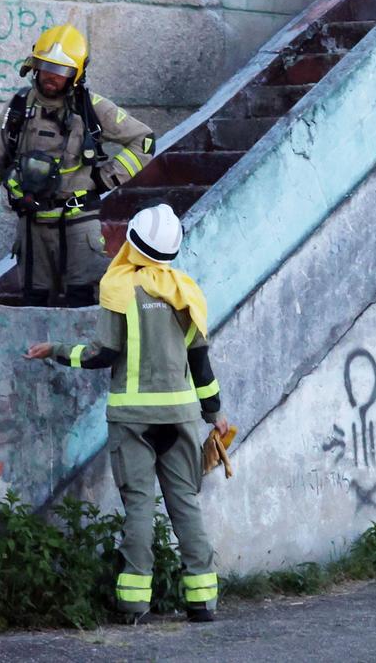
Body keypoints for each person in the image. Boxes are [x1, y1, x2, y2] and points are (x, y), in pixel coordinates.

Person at [26, 204, 227, 623]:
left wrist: (59, 351)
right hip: (182, 417)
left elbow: (104, 354)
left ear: (133, 241)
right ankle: (203, 600)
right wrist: (215, 413)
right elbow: (200, 363)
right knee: (185, 505)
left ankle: (134, 603)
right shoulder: (186, 291)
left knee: (139, 507)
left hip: (132, 419)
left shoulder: (118, 288)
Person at [0, 23, 156, 307]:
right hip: (31, 227)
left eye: (61, 72)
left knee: (83, 301)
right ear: (34, 66)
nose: (51, 78)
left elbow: (145, 141)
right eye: (46, 68)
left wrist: (104, 180)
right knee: (33, 304)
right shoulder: (18, 106)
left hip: (78, 224)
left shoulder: (91, 108)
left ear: (76, 75)